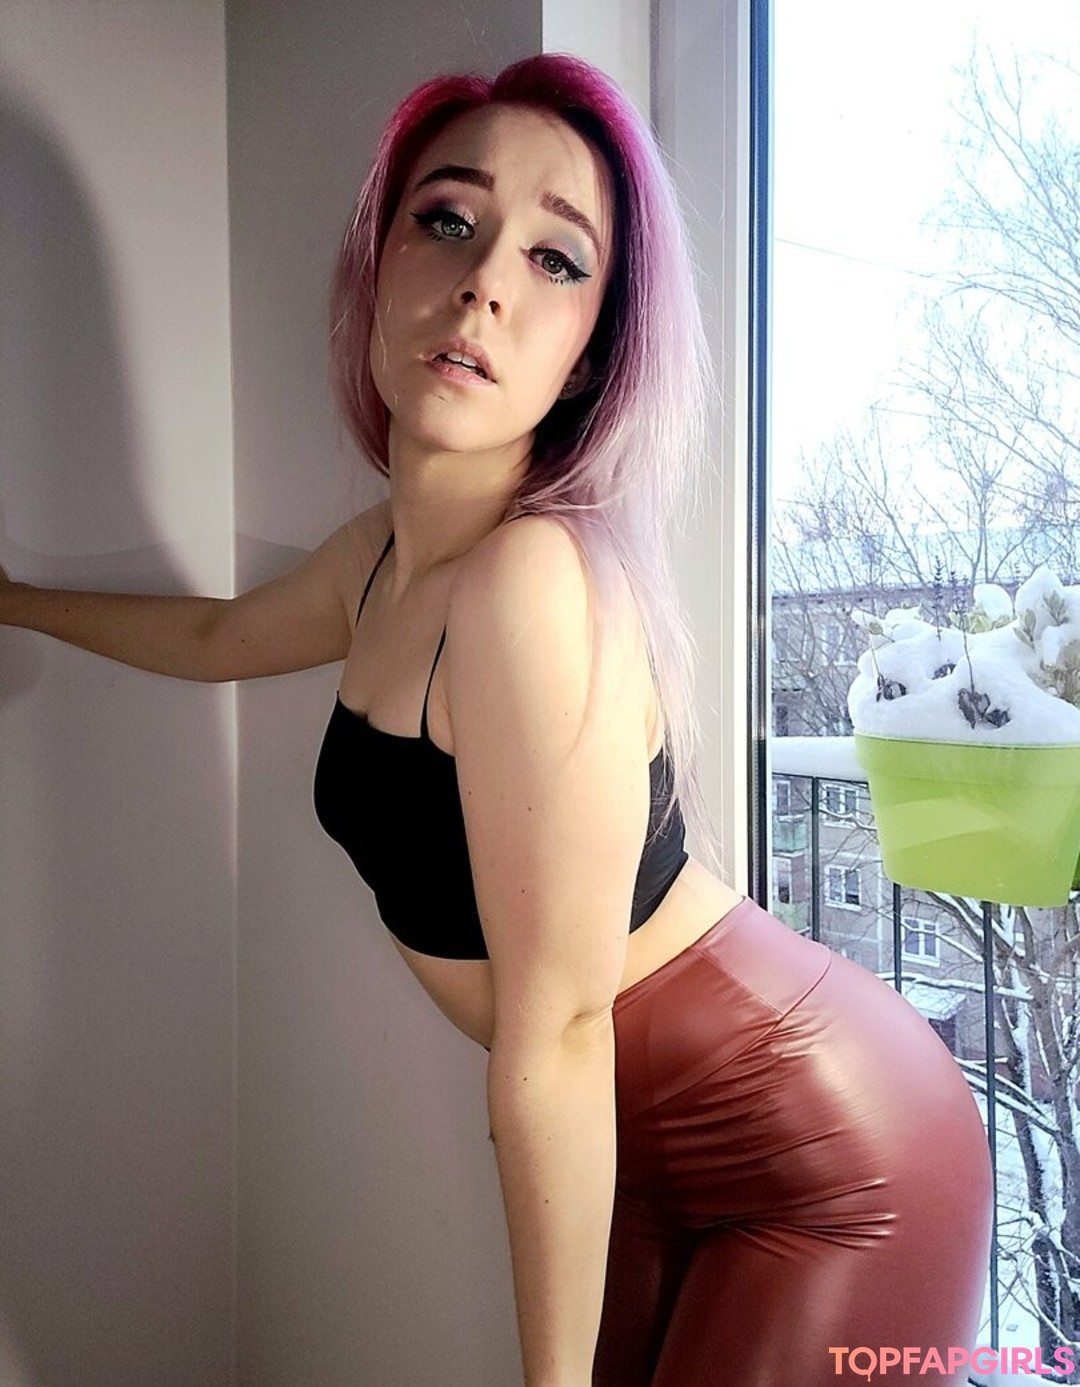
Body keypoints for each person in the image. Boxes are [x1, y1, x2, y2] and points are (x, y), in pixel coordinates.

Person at [0, 52, 992, 1387]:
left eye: (556, 259)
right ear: (380, 268)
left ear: (591, 358)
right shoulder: (380, 558)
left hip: (825, 1153)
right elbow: (216, 639)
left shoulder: (534, 584)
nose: (485, 284)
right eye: (449, 220)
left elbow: (562, 1031)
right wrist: (16, 603)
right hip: (639, 1139)